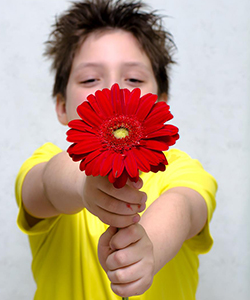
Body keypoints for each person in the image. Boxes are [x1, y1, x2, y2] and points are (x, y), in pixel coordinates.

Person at [15, 0, 217, 299]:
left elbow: (185, 207)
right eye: (90, 79)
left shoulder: (181, 169)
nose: (113, 91)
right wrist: (84, 183)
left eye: (134, 79)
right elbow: (44, 185)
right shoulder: (46, 164)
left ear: (160, 103)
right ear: (61, 106)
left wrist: (148, 246)